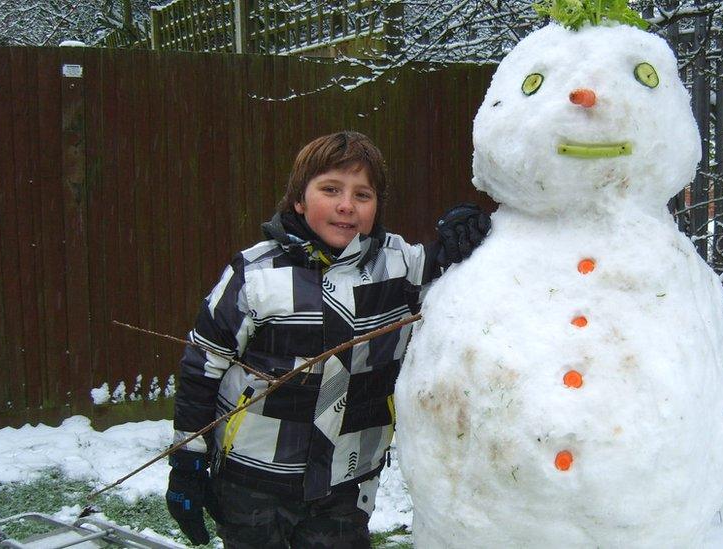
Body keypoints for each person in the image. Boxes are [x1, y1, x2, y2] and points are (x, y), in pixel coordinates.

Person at [164, 131, 489, 548]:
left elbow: (455, 257)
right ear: (299, 199)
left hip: (346, 482)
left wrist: (467, 223)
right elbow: (201, 366)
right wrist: (187, 463)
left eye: (363, 194)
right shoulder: (256, 274)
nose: (346, 206)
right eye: (330, 189)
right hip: (254, 478)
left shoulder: (400, 265)